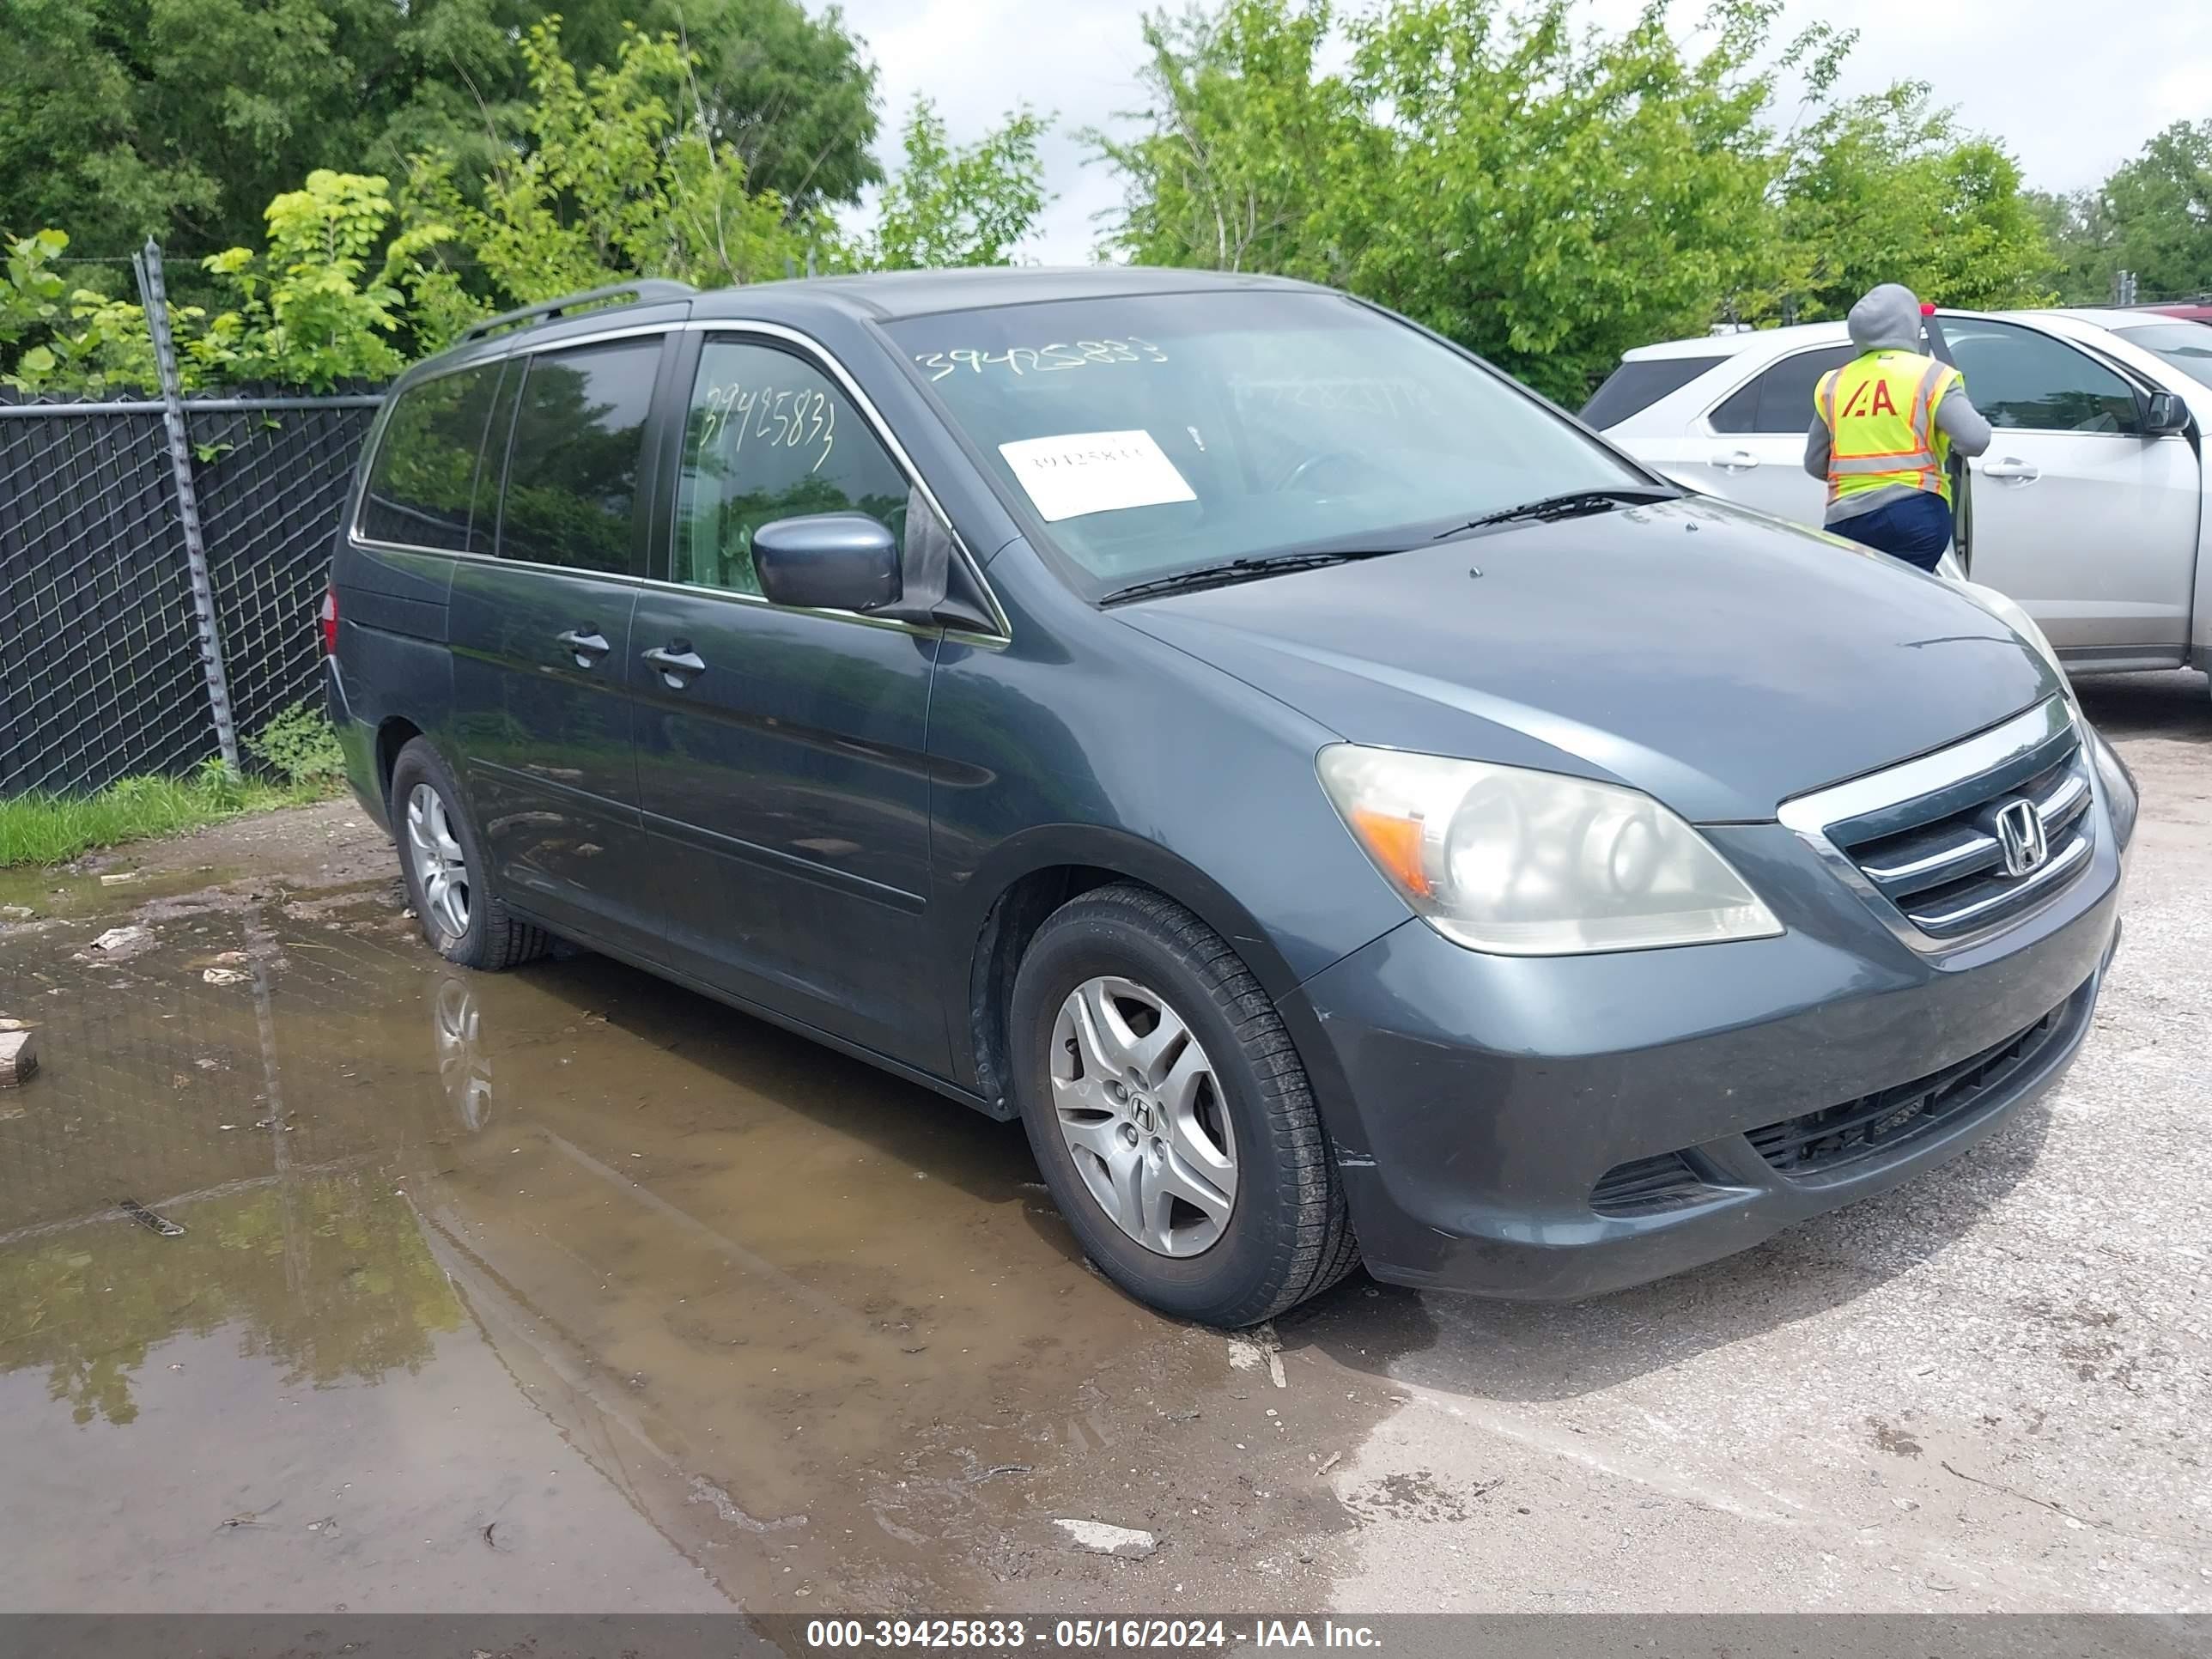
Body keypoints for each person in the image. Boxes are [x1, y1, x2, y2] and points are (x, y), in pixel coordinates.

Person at [1802, 283, 1991, 573]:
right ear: (1910, 324)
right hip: (1914, 513)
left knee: (1860, 604)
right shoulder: (1931, 374)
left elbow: (1815, 463)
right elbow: (1974, 440)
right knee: (1906, 604)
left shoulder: (1834, 382)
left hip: (1846, 520)